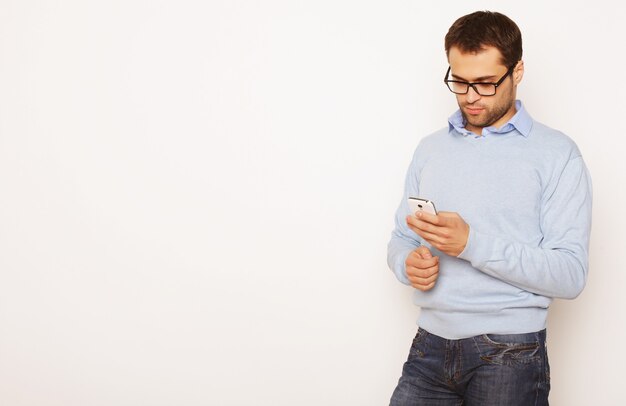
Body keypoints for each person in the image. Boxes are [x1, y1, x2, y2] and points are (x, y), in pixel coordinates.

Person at [387, 11, 592, 405]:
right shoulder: (430, 149)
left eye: (484, 83)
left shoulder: (557, 154)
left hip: (510, 352)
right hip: (428, 346)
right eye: (459, 81)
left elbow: (570, 274)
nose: (470, 96)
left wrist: (471, 244)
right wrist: (405, 263)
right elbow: (401, 237)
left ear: (517, 72)